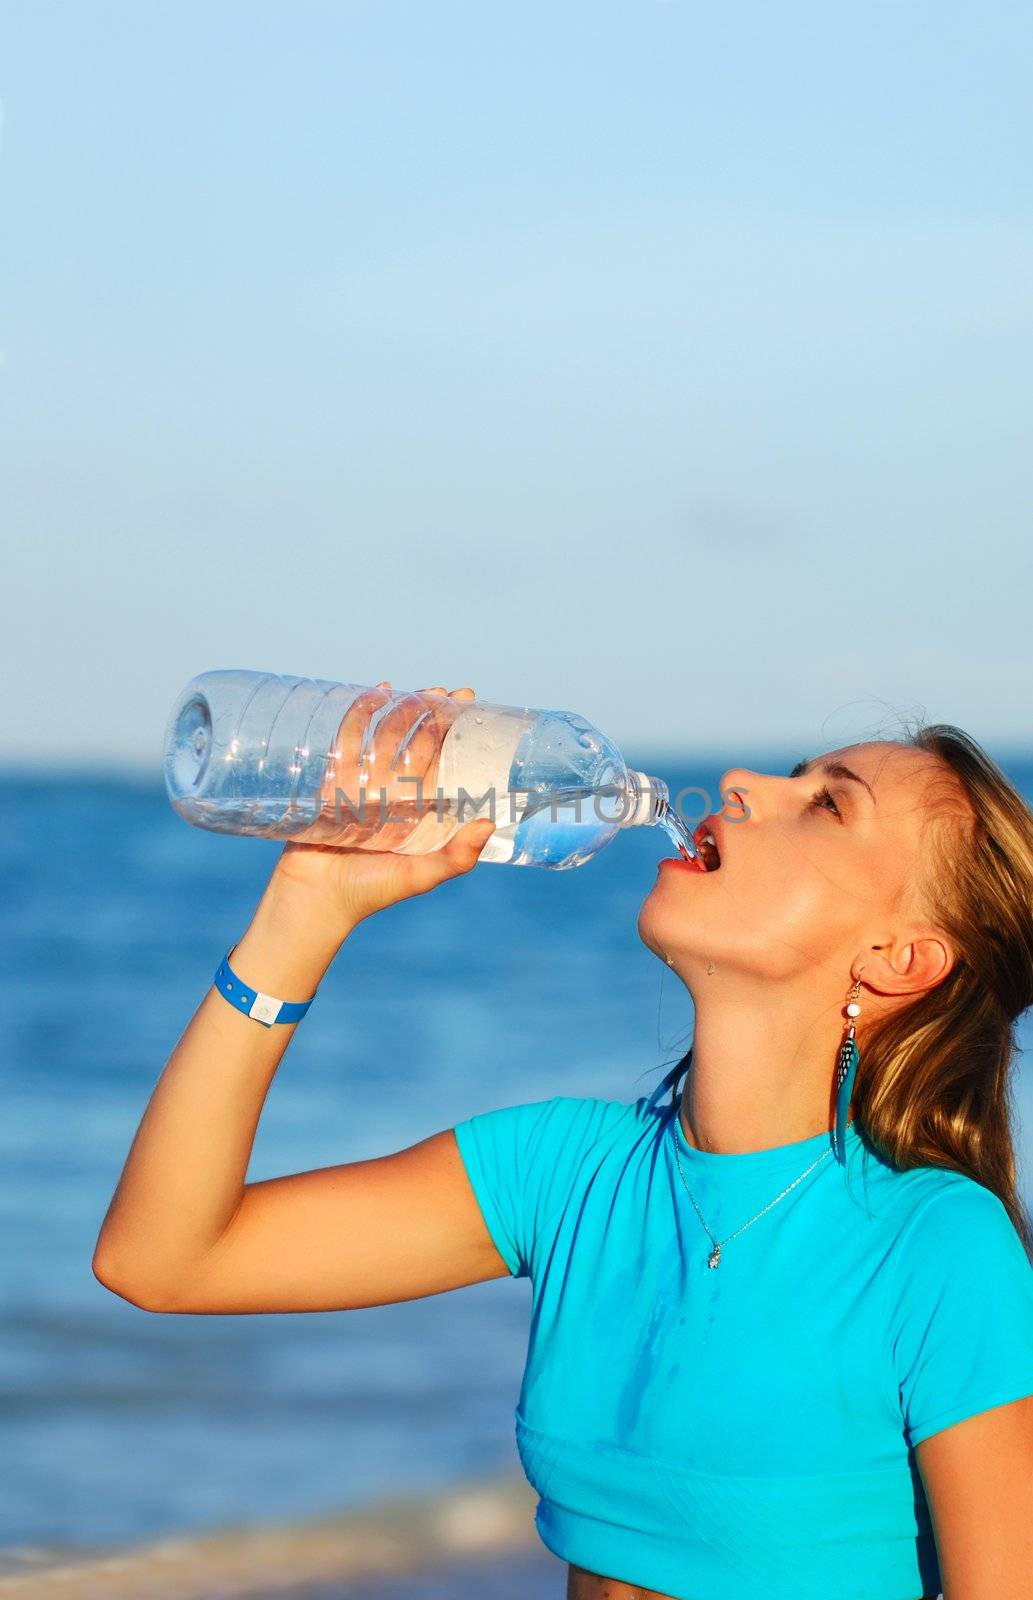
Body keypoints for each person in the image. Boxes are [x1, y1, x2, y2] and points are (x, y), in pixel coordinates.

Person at [93, 685, 1033, 1600]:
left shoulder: (936, 1248)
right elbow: (165, 1261)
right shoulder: (566, 1172)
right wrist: (307, 906)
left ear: (897, 957)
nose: (742, 781)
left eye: (826, 805)